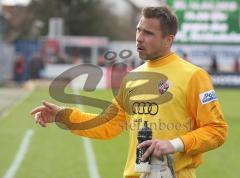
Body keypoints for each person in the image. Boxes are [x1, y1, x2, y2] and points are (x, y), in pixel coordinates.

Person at [30, 6, 228, 178]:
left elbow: (217, 130)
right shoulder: (131, 78)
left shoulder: (194, 76)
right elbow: (108, 125)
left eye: (148, 33)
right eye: (138, 30)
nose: (139, 38)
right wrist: (63, 116)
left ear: (168, 40)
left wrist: (175, 144)